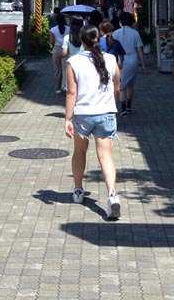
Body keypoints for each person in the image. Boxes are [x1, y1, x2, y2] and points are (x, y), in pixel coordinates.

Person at [65, 24, 122, 219]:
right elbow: (117, 88)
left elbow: (72, 92)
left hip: (83, 113)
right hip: (106, 112)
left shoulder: (74, 62)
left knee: (80, 151)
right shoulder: (112, 59)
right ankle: (112, 194)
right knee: (106, 156)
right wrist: (111, 105)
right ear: (99, 39)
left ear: (82, 40)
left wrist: (67, 118)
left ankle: (79, 190)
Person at [113, 12, 146, 114]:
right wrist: (143, 64)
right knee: (130, 84)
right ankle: (128, 106)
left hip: (120, 59)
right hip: (132, 58)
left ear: (121, 21)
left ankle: (123, 108)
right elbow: (139, 49)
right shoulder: (135, 33)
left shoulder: (115, 33)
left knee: (121, 84)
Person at [61, 16, 85, 93]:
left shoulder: (67, 37)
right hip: (83, 61)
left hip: (71, 61)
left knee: (71, 82)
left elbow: (64, 53)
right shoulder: (85, 37)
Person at [49, 13, 68, 94]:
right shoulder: (68, 29)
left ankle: (58, 88)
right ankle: (65, 87)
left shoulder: (53, 30)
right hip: (66, 50)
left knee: (57, 70)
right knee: (65, 69)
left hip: (56, 49)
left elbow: (51, 41)